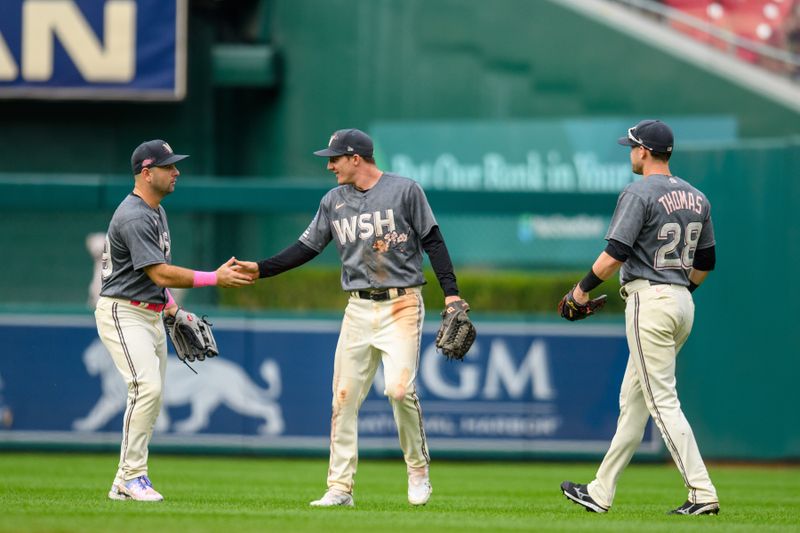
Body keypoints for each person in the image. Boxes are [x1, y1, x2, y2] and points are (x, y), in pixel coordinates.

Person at [233, 128, 466, 507]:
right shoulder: (333, 201)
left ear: (356, 157)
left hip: (401, 304)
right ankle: (340, 488)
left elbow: (434, 241)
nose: (330, 166)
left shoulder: (406, 190)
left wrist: (452, 293)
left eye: (335, 158)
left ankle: (418, 468)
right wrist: (261, 269)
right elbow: (306, 247)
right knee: (343, 397)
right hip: (358, 308)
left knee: (399, 390)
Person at [559, 120, 719, 516]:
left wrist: (580, 291)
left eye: (631, 147)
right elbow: (707, 261)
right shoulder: (697, 197)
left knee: (662, 401)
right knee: (634, 404)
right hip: (681, 299)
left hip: (650, 300)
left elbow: (614, 255)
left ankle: (702, 492)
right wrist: (679, 293)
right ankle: (600, 491)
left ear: (644, 151)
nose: (629, 153)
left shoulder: (638, 191)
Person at [95, 139, 253, 501]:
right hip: (123, 311)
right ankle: (131, 477)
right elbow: (161, 273)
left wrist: (171, 308)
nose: (176, 171)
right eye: (169, 166)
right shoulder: (134, 215)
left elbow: (152, 280)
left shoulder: (156, 211)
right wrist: (214, 277)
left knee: (152, 393)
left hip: (149, 311)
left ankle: (126, 479)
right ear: (146, 173)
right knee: (145, 388)